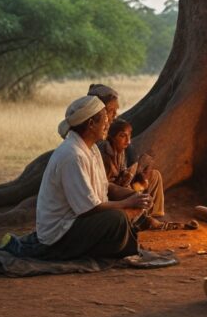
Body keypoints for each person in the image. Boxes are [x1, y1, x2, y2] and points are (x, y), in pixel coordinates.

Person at [35, 96, 152, 260]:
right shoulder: (73, 155)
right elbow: (88, 208)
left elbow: (106, 187)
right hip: (59, 234)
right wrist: (127, 204)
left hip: (77, 222)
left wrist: (132, 196)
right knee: (116, 218)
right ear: (91, 124)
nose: (108, 123)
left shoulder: (92, 150)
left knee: (120, 216)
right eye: (105, 119)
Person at [98, 118, 173, 230]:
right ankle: (141, 219)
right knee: (134, 193)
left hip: (127, 184)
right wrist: (128, 185)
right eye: (122, 136)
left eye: (129, 136)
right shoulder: (103, 155)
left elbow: (132, 174)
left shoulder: (125, 150)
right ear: (111, 137)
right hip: (112, 194)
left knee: (155, 175)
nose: (128, 141)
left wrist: (142, 175)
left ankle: (155, 214)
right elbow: (106, 186)